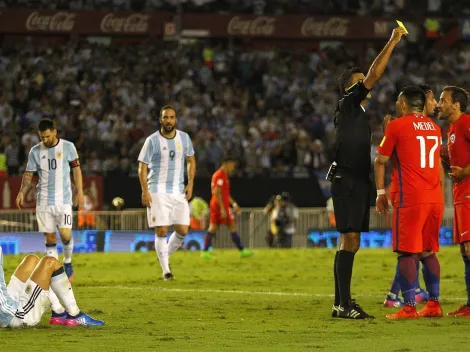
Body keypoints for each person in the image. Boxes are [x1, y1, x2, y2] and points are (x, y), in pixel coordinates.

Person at [330, 26, 406, 319]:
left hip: (356, 180)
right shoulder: (348, 104)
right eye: (361, 83)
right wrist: (392, 41)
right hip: (347, 179)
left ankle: (341, 304)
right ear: (351, 88)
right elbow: (374, 74)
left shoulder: (359, 114)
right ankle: (344, 304)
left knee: (350, 241)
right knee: (349, 240)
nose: (368, 85)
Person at [375, 86, 444, 319]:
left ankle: (408, 308)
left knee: (406, 253)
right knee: (428, 252)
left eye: (398, 101)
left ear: (404, 104)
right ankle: (434, 304)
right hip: (435, 198)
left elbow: (381, 159)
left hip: (411, 199)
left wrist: (380, 192)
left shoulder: (397, 125)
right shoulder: (435, 128)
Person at [138, 105, 196, 280]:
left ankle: (164, 256)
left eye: (171, 117)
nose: (168, 120)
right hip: (157, 190)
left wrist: (190, 183)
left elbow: (191, 161)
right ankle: (166, 271)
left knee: (183, 229)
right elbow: (142, 167)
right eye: (165, 117)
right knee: (162, 230)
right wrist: (145, 191)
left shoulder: (184, 138)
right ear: (160, 119)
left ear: (176, 119)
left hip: (178, 190)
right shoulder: (152, 140)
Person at [0, 246, 104, 327]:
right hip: (11, 315)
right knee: (51, 262)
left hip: (6, 300)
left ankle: (57, 311)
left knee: (32, 260)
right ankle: (75, 314)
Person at [436, 86, 470, 317]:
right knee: (465, 251)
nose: (439, 104)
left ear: (456, 105)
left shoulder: (466, 122)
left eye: (443, 100)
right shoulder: (451, 128)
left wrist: (465, 171)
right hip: (460, 194)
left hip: (469, 193)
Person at [201, 154, 253, 259]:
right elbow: (217, 193)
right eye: (232, 165)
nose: (233, 168)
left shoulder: (223, 175)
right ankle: (205, 251)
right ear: (226, 164)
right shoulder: (219, 175)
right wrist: (222, 209)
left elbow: (225, 194)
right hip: (218, 205)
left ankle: (242, 251)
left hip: (222, 205)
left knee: (231, 226)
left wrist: (233, 204)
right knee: (214, 227)